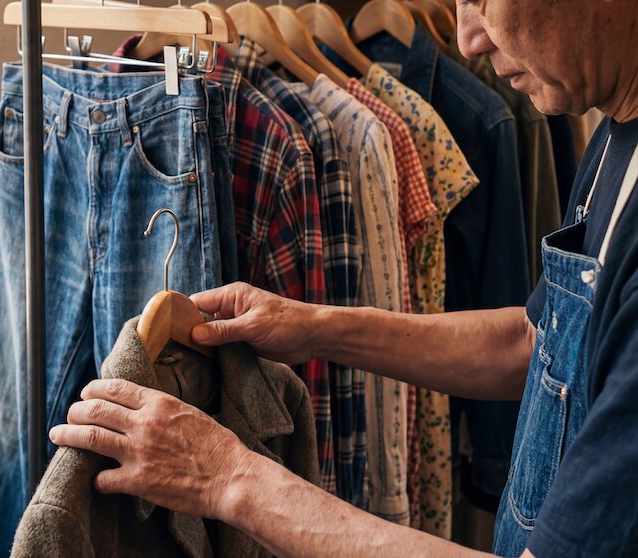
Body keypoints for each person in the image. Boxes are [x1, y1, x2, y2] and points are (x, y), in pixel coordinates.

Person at [48, 1, 638, 556]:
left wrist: (226, 477)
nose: (468, 37)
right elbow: (535, 344)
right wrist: (313, 326)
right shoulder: (615, 125)